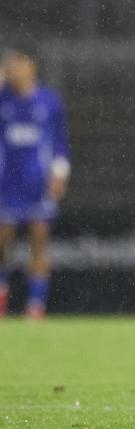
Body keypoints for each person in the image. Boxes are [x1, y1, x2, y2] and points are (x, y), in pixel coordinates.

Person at [0, 37, 70, 319]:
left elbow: (60, 141)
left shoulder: (50, 102)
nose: (12, 68)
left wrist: (60, 173)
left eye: (17, 63)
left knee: (39, 240)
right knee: (3, 241)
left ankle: (36, 306)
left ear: (31, 65)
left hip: (37, 184)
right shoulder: (4, 100)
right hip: (6, 183)